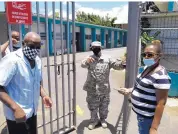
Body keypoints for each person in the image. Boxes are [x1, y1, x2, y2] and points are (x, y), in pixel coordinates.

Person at [0, 32, 52, 134]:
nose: (35, 49)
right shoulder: (12, 60)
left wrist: (44, 95)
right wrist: (15, 108)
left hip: (32, 111)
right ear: (23, 43)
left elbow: (37, 82)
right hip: (17, 115)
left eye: (38, 46)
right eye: (32, 45)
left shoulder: (37, 60)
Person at [117, 40, 171, 134]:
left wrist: (154, 128)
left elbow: (161, 104)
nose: (146, 57)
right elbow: (140, 85)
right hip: (141, 115)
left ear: (159, 56)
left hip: (147, 118)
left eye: (150, 55)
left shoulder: (161, 76)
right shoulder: (147, 68)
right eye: (144, 54)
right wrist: (129, 90)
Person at [81, 41, 126, 130]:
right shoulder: (89, 58)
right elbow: (83, 64)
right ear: (91, 49)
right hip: (92, 88)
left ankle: (103, 120)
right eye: (93, 48)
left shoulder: (107, 58)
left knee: (104, 105)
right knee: (92, 106)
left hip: (104, 88)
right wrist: (87, 61)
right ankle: (94, 121)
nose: (96, 49)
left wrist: (123, 63)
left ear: (101, 48)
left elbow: (116, 65)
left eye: (97, 47)